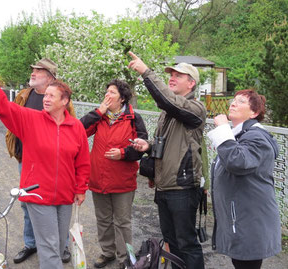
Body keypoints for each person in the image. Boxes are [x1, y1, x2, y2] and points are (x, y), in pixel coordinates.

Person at [0, 54, 90, 269]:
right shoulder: (30, 120)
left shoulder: (76, 127)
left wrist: (81, 188)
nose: (46, 98)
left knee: (60, 243)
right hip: (37, 193)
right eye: (46, 95)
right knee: (49, 246)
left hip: (65, 195)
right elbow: (2, 106)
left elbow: (82, 161)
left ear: (65, 101)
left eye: (52, 96)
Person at [128, 51, 206, 269]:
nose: (172, 77)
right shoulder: (169, 112)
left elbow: (168, 101)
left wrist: (145, 72)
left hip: (182, 187)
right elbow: (169, 142)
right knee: (171, 241)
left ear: (191, 83)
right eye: (171, 74)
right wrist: (148, 146)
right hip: (164, 186)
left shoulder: (195, 108)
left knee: (187, 243)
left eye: (178, 75)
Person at [5, 58, 74, 264]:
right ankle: (30, 244)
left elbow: (71, 129)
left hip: (51, 164)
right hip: (25, 160)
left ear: (51, 77)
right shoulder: (24, 95)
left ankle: (61, 246)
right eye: (33, 69)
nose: (33, 73)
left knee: (58, 205)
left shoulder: (61, 100)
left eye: (39, 71)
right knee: (27, 204)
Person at [207, 89, 281, 269]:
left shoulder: (257, 137)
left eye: (240, 101)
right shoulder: (240, 135)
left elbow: (237, 162)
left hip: (250, 221)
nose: (233, 103)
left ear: (254, 113)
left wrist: (223, 129)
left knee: (246, 264)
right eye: (233, 100)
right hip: (241, 217)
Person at [80, 79, 148, 269]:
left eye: (112, 92)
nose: (107, 95)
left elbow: (142, 147)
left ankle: (125, 258)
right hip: (98, 178)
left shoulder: (134, 118)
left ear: (122, 97)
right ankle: (107, 252)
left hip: (122, 181)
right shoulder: (100, 116)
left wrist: (124, 153)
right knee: (103, 219)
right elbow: (79, 131)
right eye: (107, 92)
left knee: (123, 222)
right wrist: (97, 113)